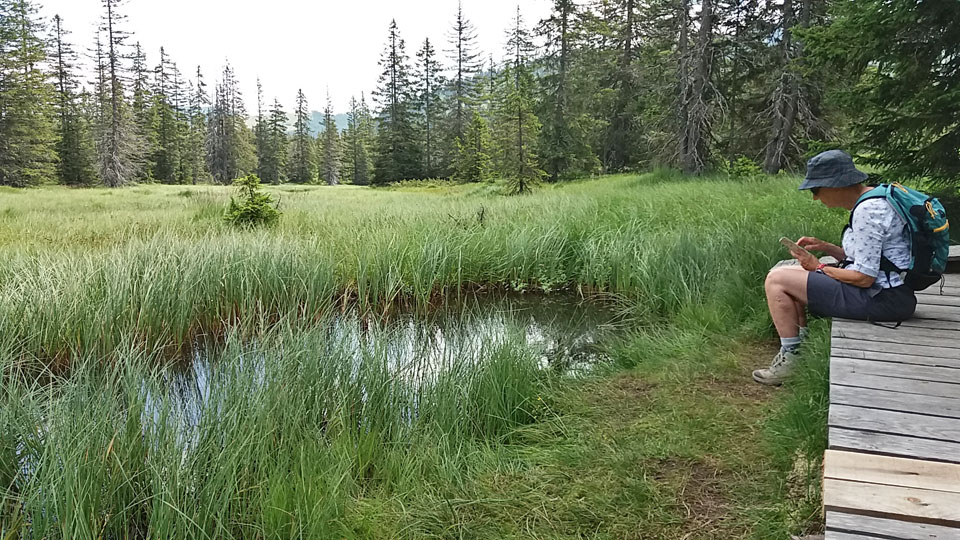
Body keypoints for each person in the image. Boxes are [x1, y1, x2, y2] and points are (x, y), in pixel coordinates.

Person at [753, 149, 917, 386]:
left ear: (835, 185)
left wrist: (818, 266)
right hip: (890, 293)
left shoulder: (866, 212)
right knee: (787, 275)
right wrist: (827, 247)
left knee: (777, 280)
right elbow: (871, 259)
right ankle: (799, 350)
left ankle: (791, 359)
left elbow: (864, 277)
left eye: (816, 190)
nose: (815, 198)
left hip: (881, 299)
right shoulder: (874, 200)